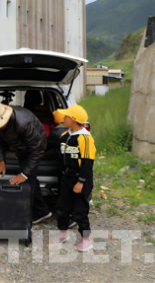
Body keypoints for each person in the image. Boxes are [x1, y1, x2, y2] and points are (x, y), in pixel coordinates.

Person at [0, 102, 51, 225]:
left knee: (27, 183)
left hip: (34, 148)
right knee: (31, 179)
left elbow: (37, 150)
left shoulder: (24, 123)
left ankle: (25, 220)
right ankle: (42, 211)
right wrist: (1, 163)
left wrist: (23, 174)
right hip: (21, 147)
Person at [50, 105, 96, 252]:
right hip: (67, 178)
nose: (63, 119)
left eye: (66, 117)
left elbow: (88, 162)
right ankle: (63, 233)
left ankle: (86, 239)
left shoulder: (85, 138)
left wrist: (81, 181)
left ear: (73, 120)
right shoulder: (65, 136)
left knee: (79, 210)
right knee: (62, 207)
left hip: (80, 180)